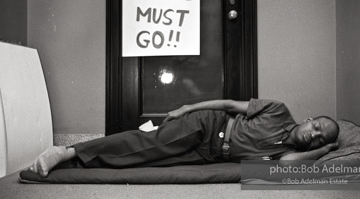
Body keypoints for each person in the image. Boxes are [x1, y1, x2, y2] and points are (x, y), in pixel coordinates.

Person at [30, 99, 339, 177]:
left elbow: (287, 166)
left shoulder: (290, 152)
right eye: (316, 128)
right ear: (309, 120)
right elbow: (230, 105)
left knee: (145, 162)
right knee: (145, 144)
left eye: (318, 139)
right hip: (207, 126)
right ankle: (68, 150)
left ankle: (76, 166)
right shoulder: (278, 111)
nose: (312, 137)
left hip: (209, 155)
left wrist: (326, 149)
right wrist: (188, 107)